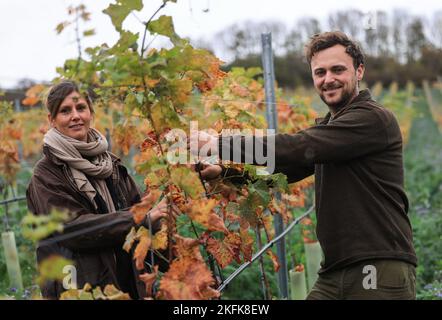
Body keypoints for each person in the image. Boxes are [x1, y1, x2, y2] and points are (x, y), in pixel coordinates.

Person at [193, 31, 417, 300]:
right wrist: (225, 172)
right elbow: (286, 171)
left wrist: (219, 144)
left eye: (337, 70)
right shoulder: (331, 127)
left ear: (359, 71)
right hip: (335, 270)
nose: (328, 79)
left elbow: (298, 147)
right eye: (320, 72)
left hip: (377, 266)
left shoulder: (372, 120)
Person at [26, 81, 168, 299]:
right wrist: (138, 219)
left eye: (80, 108)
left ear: (90, 113)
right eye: (65, 111)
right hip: (79, 287)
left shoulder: (111, 164)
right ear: (52, 120)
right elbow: (72, 229)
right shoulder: (46, 173)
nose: (75, 116)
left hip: (126, 279)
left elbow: (141, 211)